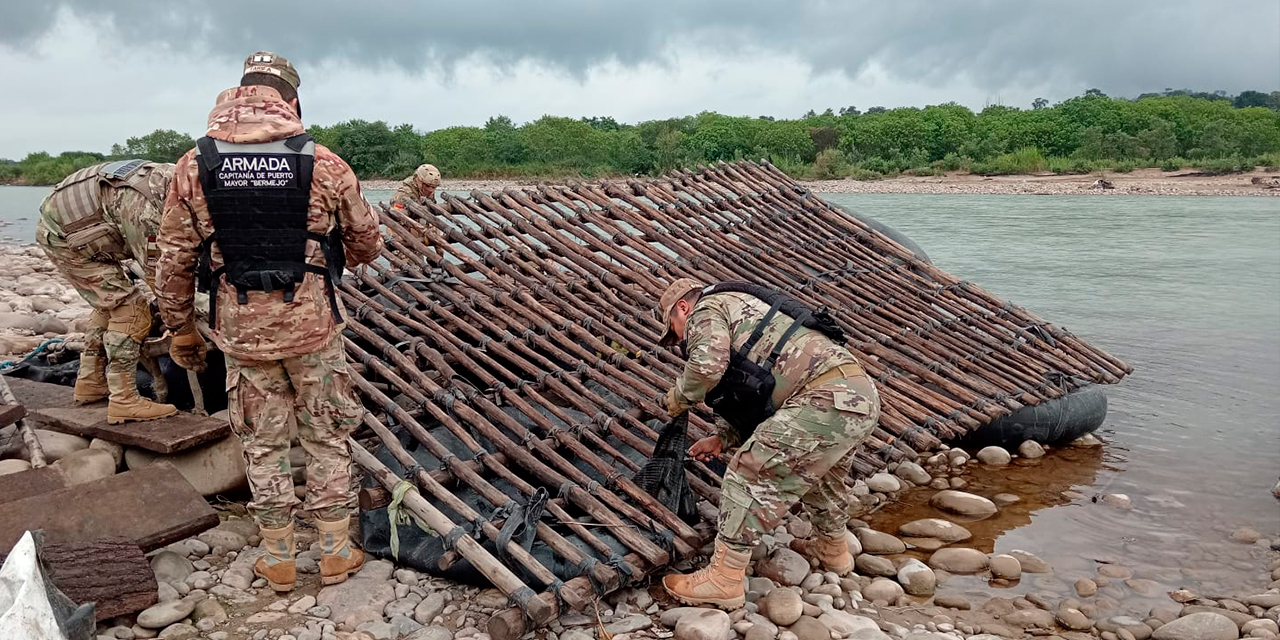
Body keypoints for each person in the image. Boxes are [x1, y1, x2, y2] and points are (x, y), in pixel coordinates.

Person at [156, 51, 384, 593]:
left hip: (239, 330)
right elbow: (367, 243)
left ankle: (279, 557)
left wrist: (182, 327)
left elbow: (173, 259)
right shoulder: (323, 162)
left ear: (236, 93)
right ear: (290, 98)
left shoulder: (194, 165)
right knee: (327, 434)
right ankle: (334, 550)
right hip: (313, 327)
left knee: (263, 442)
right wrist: (326, 258)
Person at [654, 278, 881, 609]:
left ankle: (724, 579)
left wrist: (677, 399)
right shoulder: (746, 309)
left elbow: (706, 367)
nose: (678, 341)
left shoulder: (705, 308)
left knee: (749, 470)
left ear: (682, 308)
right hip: (859, 394)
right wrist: (723, 437)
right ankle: (834, 551)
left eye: (675, 332)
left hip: (822, 398)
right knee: (822, 478)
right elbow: (758, 392)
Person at [36, 161, 180, 424]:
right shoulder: (146, 211)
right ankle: (124, 400)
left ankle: (91, 382)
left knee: (109, 304)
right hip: (65, 240)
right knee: (131, 309)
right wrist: (182, 323)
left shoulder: (173, 177)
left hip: (77, 229)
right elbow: (156, 275)